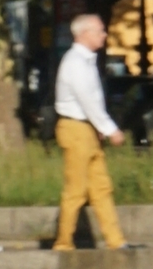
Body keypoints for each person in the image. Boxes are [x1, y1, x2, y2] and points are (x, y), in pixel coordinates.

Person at [52, 14, 130, 252]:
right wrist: (110, 129)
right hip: (76, 128)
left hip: (85, 129)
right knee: (76, 189)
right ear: (83, 33)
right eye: (100, 30)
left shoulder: (85, 61)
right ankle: (63, 242)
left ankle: (116, 240)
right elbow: (88, 101)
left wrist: (97, 128)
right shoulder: (75, 62)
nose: (104, 35)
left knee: (101, 187)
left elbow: (92, 101)